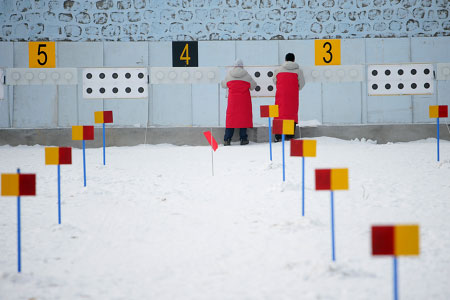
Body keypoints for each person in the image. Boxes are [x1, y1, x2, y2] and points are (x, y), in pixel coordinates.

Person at [221, 59, 257, 146]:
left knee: (231, 119)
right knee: (243, 118)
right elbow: (253, 86)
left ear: (234, 66)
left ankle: (227, 139)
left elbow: (223, 84)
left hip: (233, 101)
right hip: (244, 101)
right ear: (242, 66)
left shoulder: (229, 74)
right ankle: (243, 139)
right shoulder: (246, 75)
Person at [273, 53, 306, 142]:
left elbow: (274, 80)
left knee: (280, 113)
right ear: (294, 60)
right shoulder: (298, 71)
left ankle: (278, 136)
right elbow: (302, 84)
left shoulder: (279, 70)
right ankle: (289, 135)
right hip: (293, 96)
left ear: (285, 60)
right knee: (290, 113)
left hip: (281, 95)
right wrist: (295, 88)